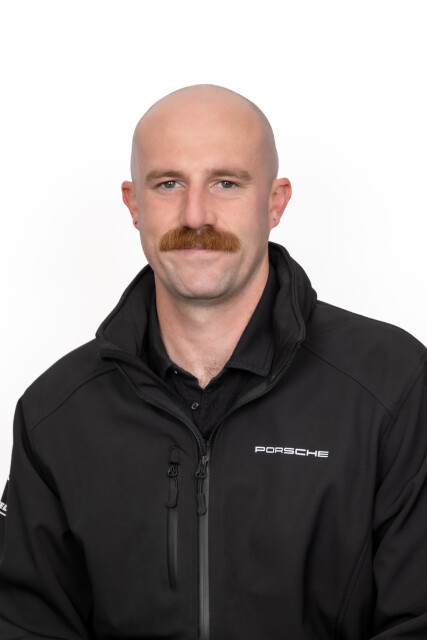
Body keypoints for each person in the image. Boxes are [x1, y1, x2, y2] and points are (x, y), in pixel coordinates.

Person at [0, 84, 426, 640]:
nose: (195, 214)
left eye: (226, 183)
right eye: (169, 183)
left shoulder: (392, 386)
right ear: (133, 204)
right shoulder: (55, 413)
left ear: (275, 202)